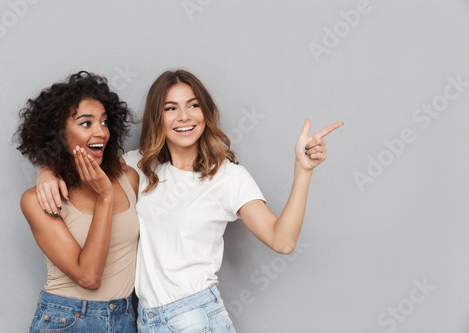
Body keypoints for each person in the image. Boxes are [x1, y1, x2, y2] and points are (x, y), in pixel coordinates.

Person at [37, 69, 343, 332]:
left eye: (193, 105)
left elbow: (283, 240)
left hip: (195, 318)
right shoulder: (138, 167)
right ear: (158, 117)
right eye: (171, 108)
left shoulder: (227, 177)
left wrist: (302, 171)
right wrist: (48, 171)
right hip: (144, 320)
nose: (184, 116)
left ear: (205, 113)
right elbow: (86, 160)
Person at [16, 71, 139, 332]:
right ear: (59, 134)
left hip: (125, 317)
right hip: (68, 320)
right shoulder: (38, 199)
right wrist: (105, 197)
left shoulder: (129, 178)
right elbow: (89, 276)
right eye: (86, 123)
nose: (100, 132)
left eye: (104, 122)